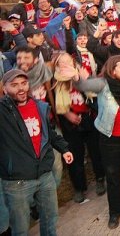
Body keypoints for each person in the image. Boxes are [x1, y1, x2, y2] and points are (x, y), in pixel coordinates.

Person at [73, 55, 120, 231]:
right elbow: (84, 86)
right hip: (109, 140)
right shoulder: (103, 84)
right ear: (112, 70)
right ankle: (115, 211)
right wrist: (77, 77)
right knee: (112, 178)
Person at [0, 70, 73, 236]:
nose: (20, 88)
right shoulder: (2, 112)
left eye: (23, 83)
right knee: (20, 229)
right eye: (14, 85)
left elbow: (49, 133)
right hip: (16, 182)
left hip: (45, 175)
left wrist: (64, 149)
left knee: (50, 219)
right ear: (4, 89)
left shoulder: (39, 106)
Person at [52, 53, 105, 203]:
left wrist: (82, 78)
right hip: (69, 120)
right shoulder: (54, 80)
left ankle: (100, 178)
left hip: (89, 117)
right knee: (75, 154)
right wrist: (67, 114)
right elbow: (53, 102)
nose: (65, 66)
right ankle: (79, 188)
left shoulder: (81, 74)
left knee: (96, 150)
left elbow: (95, 93)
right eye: (61, 64)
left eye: (67, 62)